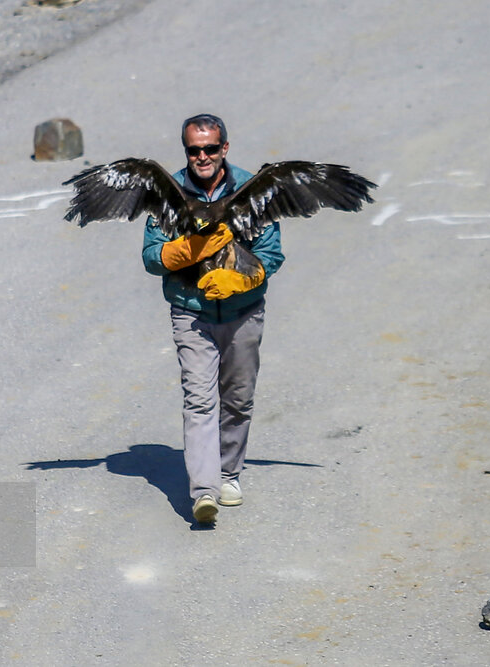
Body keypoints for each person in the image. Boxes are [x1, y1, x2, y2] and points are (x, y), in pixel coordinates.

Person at [141, 114, 285, 524]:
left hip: (244, 313)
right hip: (192, 312)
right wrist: (176, 253)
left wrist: (243, 278)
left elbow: (273, 254)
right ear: (185, 151)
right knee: (199, 401)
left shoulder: (252, 188)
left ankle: (228, 474)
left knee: (238, 400)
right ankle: (204, 491)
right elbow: (152, 255)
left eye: (209, 148)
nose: (201, 156)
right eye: (193, 150)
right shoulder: (167, 190)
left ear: (224, 148)